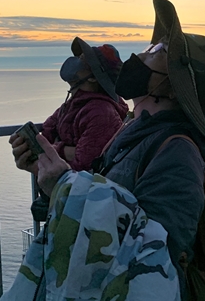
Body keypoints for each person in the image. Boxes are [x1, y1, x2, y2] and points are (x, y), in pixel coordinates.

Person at [9, 0, 205, 301]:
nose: (141, 55)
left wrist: (63, 186)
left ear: (170, 83)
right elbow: (106, 198)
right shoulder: (132, 130)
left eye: (156, 50)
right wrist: (50, 179)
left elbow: (157, 252)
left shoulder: (178, 153)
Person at [21, 37, 129, 221]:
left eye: (83, 60)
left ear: (94, 76)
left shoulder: (101, 113)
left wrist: (55, 149)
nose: (76, 61)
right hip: (64, 196)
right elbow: (46, 132)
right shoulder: (74, 102)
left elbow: (84, 167)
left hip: (79, 207)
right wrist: (63, 150)